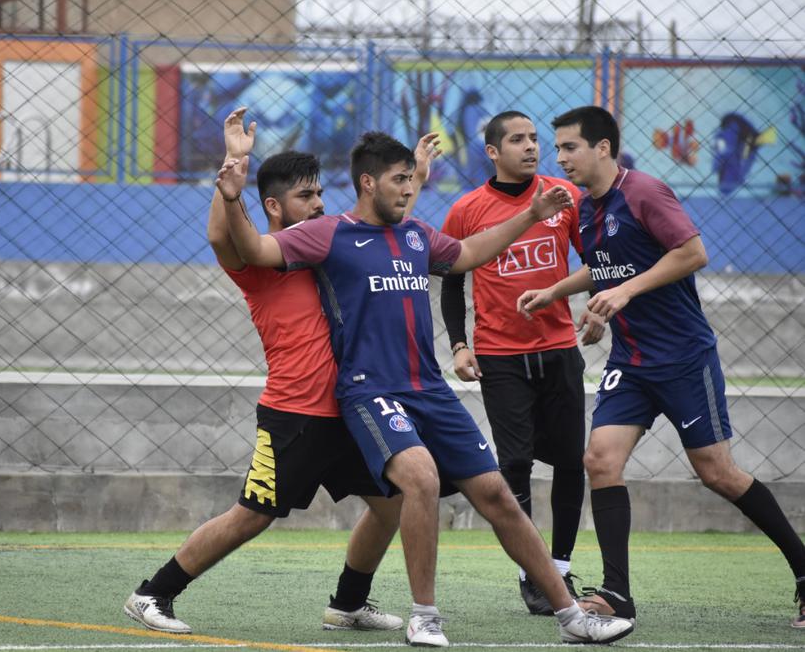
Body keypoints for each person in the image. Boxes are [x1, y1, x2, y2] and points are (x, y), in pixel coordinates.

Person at [217, 122, 636, 647]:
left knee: (498, 496)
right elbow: (254, 250)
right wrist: (230, 195)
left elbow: (467, 255)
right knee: (421, 479)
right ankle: (425, 615)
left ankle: (571, 615)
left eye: (413, 179)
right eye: (399, 180)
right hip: (370, 392)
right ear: (369, 184)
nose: (409, 188)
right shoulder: (331, 233)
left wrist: (529, 214)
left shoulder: (416, 235)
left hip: (430, 391)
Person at [124, 109, 442, 635]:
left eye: (320, 193)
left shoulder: (322, 245)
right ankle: (152, 594)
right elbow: (219, 236)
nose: (319, 203)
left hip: (348, 409)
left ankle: (347, 604)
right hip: (294, 416)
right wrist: (234, 169)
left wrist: (416, 173)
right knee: (253, 515)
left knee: (393, 503)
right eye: (306, 195)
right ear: (273, 205)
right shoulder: (259, 263)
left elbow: (379, 218)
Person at [518, 105, 805, 629]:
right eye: (557, 148)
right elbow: (605, 266)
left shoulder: (645, 192)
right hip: (631, 363)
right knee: (600, 460)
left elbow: (692, 253)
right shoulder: (584, 207)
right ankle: (617, 595)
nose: (559, 157)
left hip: (682, 360)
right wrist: (559, 291)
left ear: (602, 147)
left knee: (716, 473)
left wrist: (624, 292)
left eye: (569, 147)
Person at [439, 110, 605, 615]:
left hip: (558, 351)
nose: (531, 147)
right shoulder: (467, 209)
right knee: (513, 463)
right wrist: (459, 344)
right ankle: (530, 571)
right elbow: (451, 279)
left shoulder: (565, 196)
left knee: (570, 464)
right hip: (500, 357)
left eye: (535, 139)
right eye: (518, 140)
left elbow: (598, 259)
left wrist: (597, 306)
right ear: (493, 152)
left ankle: (559, 568)